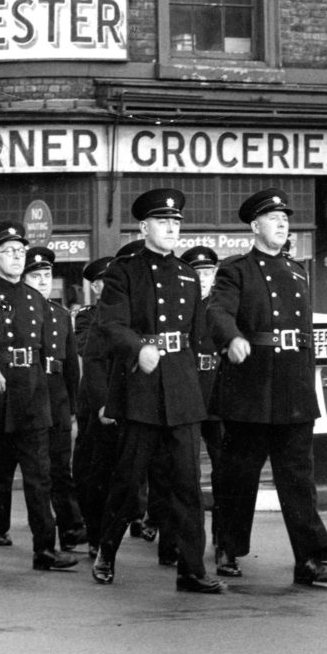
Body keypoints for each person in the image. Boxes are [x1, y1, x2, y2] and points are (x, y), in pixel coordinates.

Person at [91, 189, 223, 593]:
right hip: (142, 390)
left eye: (176, 222)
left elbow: (199, 336)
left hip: (181, 389)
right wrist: (137, 349)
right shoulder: (124, 271)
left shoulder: (186, 274)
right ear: (144, 227)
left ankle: (191, 571)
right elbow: (110, 324)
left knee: (187, 484)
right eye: (162, 222)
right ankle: (105, 552)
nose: (170, 228)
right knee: (128, 481)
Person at [206, 188, 327, 585]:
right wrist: (232, 339)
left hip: (293, 388)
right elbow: (217, 310)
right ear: (254, 226)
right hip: (252, 386)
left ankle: (310, 558)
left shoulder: (298, 271)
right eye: (273, 218)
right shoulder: (236, 269)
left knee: (298, 478)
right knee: (239, 477)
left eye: (285, 218)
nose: (282, 223)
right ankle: (228, 547)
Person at [0, 221, 77, 571]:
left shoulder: (36, 299)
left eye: (21, 251)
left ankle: (44, 550)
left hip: (31, 399)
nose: (17, 257)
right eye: (9, 252)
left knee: (39, 477)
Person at [0, 244, 87, 554]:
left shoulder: (58, 314)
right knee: (6, 466)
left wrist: (72, 405)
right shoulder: (9, 309)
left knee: (58, 467)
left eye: (47, 275)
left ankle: (69, 527)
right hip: (22, 393)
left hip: (54, 396)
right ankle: (0, 525)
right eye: (36, 275)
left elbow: (70, 363)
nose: (43, 280)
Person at [179, 246, 225, 543]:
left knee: (223, 469)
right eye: (198, 273)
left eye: (208, 272)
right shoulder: (179, 309)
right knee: (185, 471)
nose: (204, 279)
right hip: (188, 393)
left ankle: (223, 541)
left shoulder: (222, 307)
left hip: (219, 395)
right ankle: (177, 537)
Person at [72, 254, 114, 558]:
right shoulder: (87, 316)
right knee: (93, 470)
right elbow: (86, 348)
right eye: (105, 283)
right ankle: (96, 534)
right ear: (97, 288)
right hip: (95, 400)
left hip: (129, 396)